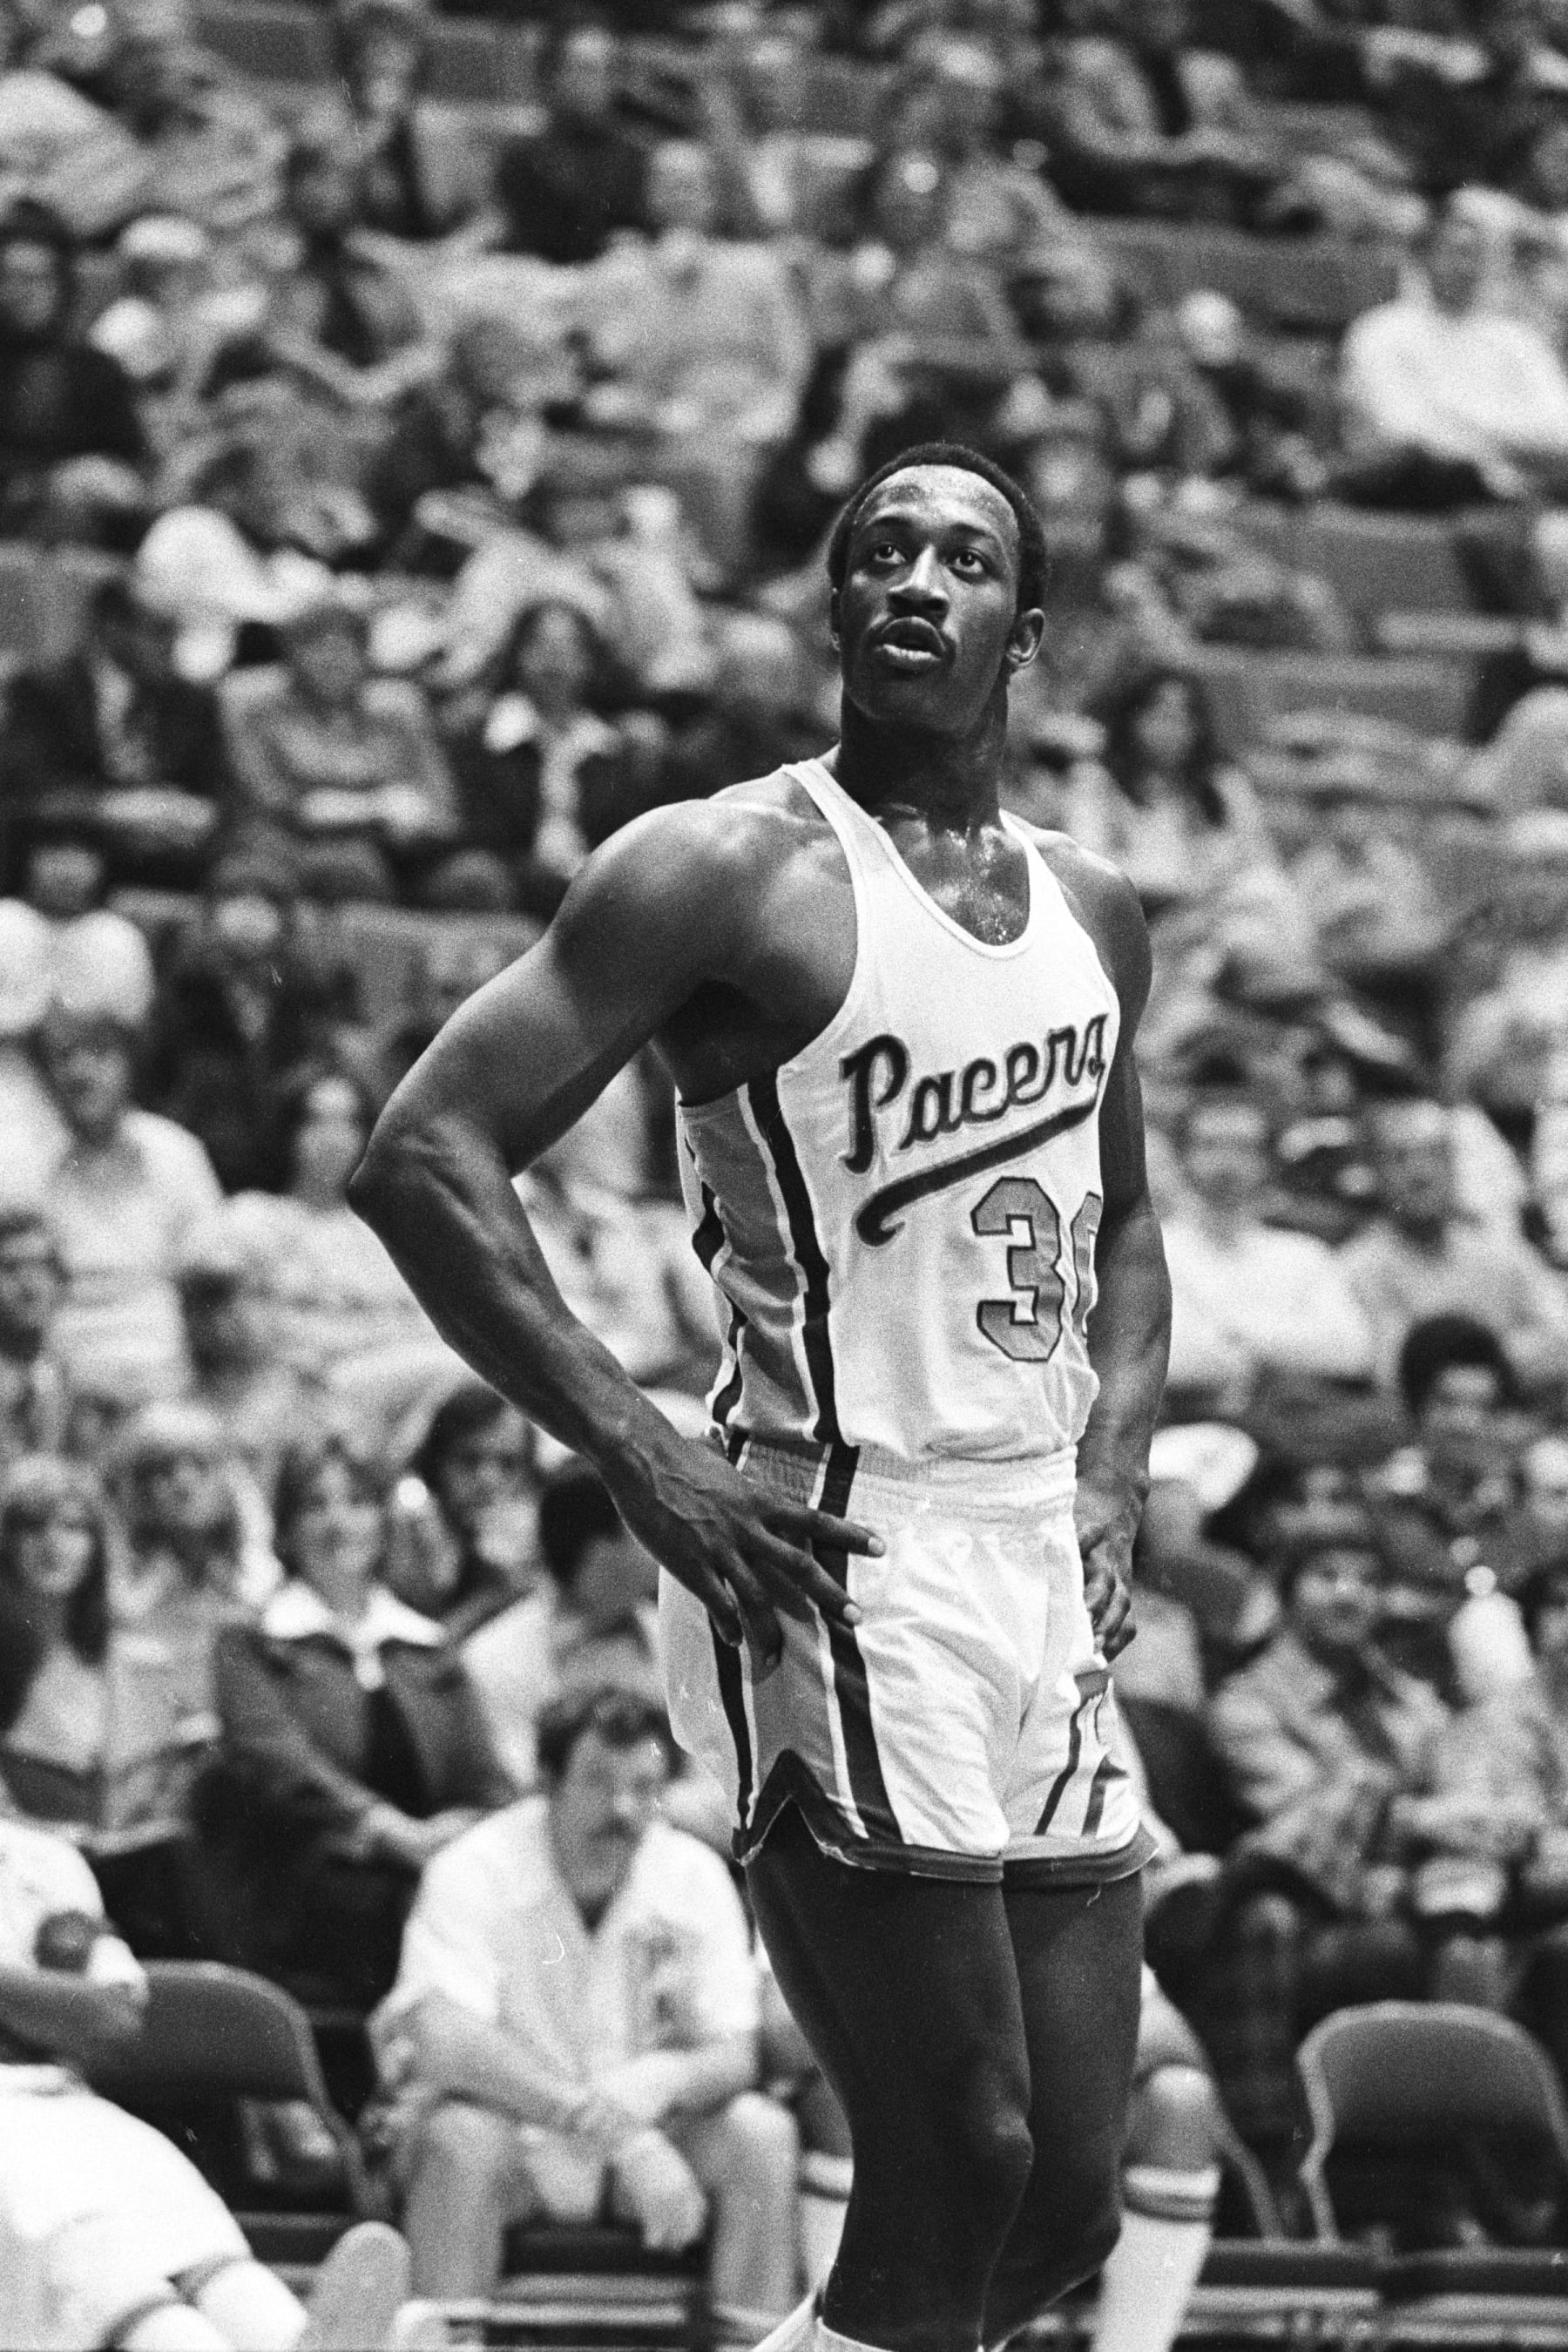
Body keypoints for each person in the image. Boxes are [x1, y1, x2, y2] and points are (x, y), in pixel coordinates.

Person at [350, 440, 1169, 2352]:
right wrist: (640, 1453)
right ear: (830, 609)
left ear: (1025, 633)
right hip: (828, 1535)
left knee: (1057, 2212)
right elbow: (426, 1152)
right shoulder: (725, 866)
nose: (911, 578)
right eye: (877, 550)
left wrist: (1116, 1474)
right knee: (953, 2157)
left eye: (961, 559)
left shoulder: (1098, 907)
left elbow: (1125, 1223)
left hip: (1035, 1549)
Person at [375, 1681, 798, 2310]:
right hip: (516, 2137)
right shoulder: (473, 1867)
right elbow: (445, 2042)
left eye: (646, 1788)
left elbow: (736, 2052)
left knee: (760, 2134)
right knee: (460, 2138)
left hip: (657, 2148)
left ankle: (754, 2343)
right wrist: (617, 2132)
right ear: (546, 1780)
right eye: (600, 1782)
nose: (625, 1809)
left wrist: (669, 2077)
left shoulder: (693, 1873)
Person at [0, 1810, 435, 2351]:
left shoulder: (42, 1862)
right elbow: (81, 2011)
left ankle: (302, 2343)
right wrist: (42, 2005)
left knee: (184, 2220)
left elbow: (112, 2015)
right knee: (87, 2249)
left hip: (61, 2103)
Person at [208, 1429, 512, 2004]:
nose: (338, 1522)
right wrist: (391, 1832)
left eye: (356, 1502)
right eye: (315, 1504)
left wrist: (453, 1834)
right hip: (309, 1900)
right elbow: (279, 1764)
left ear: (382, 1521)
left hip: (435, 1881)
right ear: (287, 1528)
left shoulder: (429, 1648)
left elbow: (488, 1785)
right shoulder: (252, 1644)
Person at [1341, 1093, 1568, 1393]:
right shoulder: (1359, 1266)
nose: (1419, 1174)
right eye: (1399, 1158)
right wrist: (1508, 1354)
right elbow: (1399, 1377)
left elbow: (1562, 1334)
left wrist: (1472, 1364)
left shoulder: (1498, 1248)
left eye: (1434, 1155)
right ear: (1372, 1173)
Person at [0, 1209, 69, 1467]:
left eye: (41, 1267)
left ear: (60, 1282)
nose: (29, 1285)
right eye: (10, 1268)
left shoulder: (70, 1377)